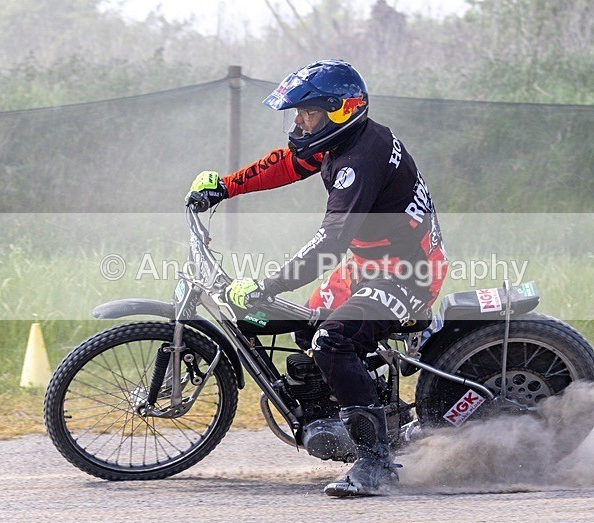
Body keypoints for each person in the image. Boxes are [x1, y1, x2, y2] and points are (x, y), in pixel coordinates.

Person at [186, 59, 447, 497]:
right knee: (309, 324)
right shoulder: (342, 142)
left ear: (341, 110)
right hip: (370, 264)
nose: (300, 123)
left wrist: (267, 285)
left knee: (332, 340)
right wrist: (226, 186)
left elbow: (329, 244)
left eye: (308, 113)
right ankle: (353, 410)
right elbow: (287, 164)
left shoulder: (359, 162)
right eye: (299, 114)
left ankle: (376, 461)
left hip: (407, 274)